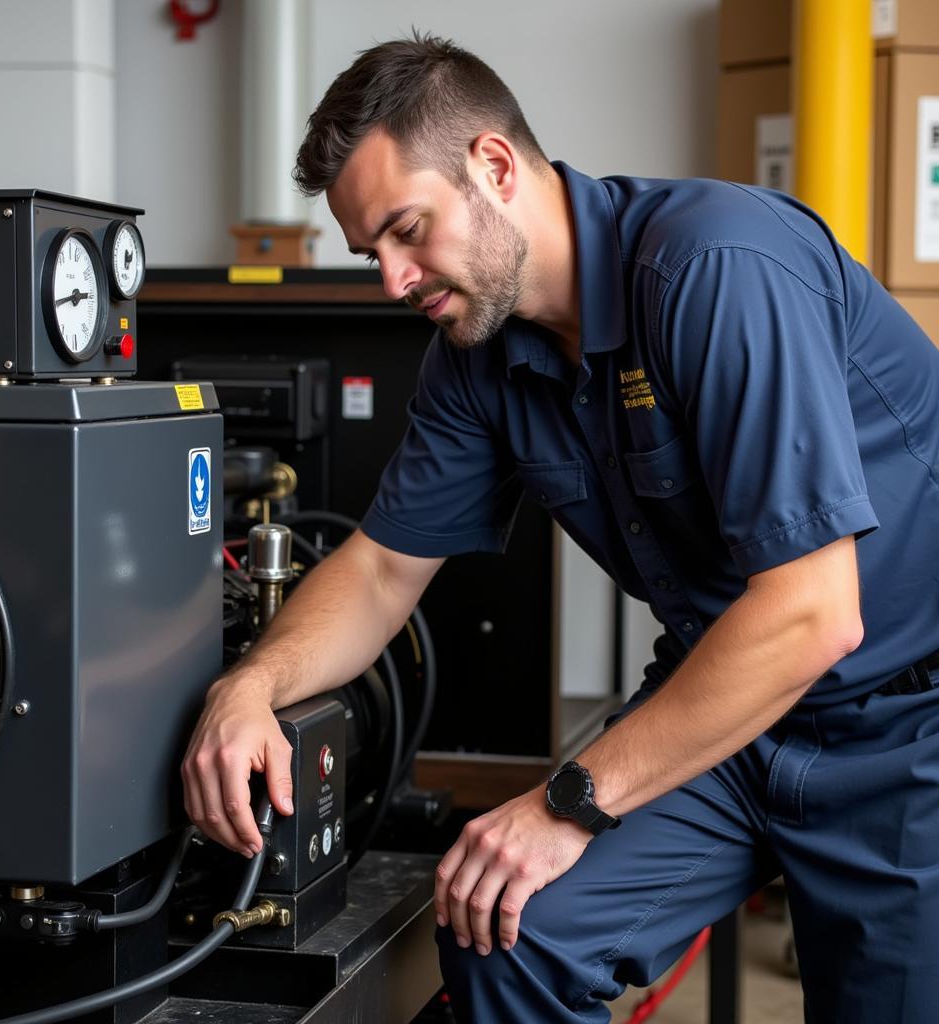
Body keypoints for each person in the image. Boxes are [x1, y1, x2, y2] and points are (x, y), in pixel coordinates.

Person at [181, 31, 939, 1023]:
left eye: (408, 231)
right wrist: (248, 686)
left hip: (905, 726)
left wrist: (567, 800)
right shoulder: (476, 352)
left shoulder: (716, 267)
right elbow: (376, 572)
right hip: (723, 718)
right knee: (506, 926)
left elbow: (810, 615)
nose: (393, 282)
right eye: (374, 252)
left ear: (494, 165)